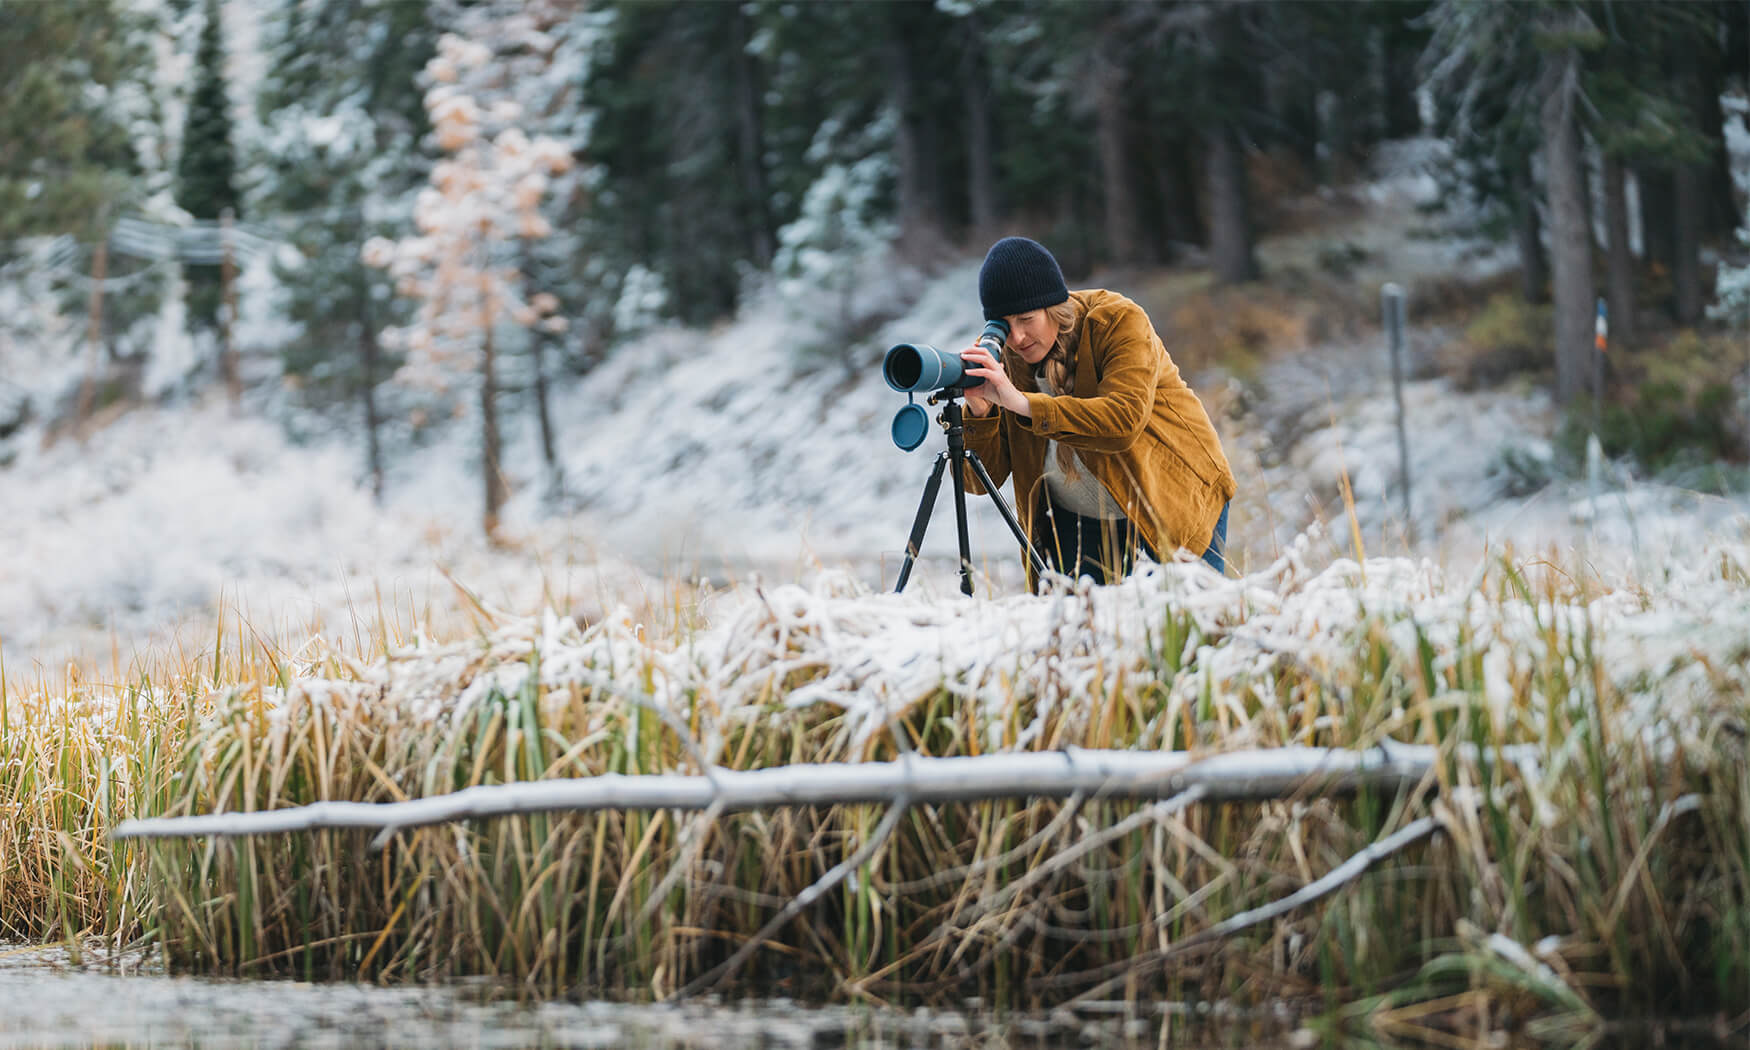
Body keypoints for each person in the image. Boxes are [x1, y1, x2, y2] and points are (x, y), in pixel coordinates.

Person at [958, 235, 1236, 587]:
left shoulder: (1118, 321)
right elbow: (980, 481)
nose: (1017, 338)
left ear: (1052, 307)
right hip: (1077, 524)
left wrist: (1021, 403)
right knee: (1087, 639)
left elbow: (1122, 422)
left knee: (1185, 634)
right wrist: (979, 413)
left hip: (1166, 505)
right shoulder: (1008, 355)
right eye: (1004, 326)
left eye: (1026, 319)